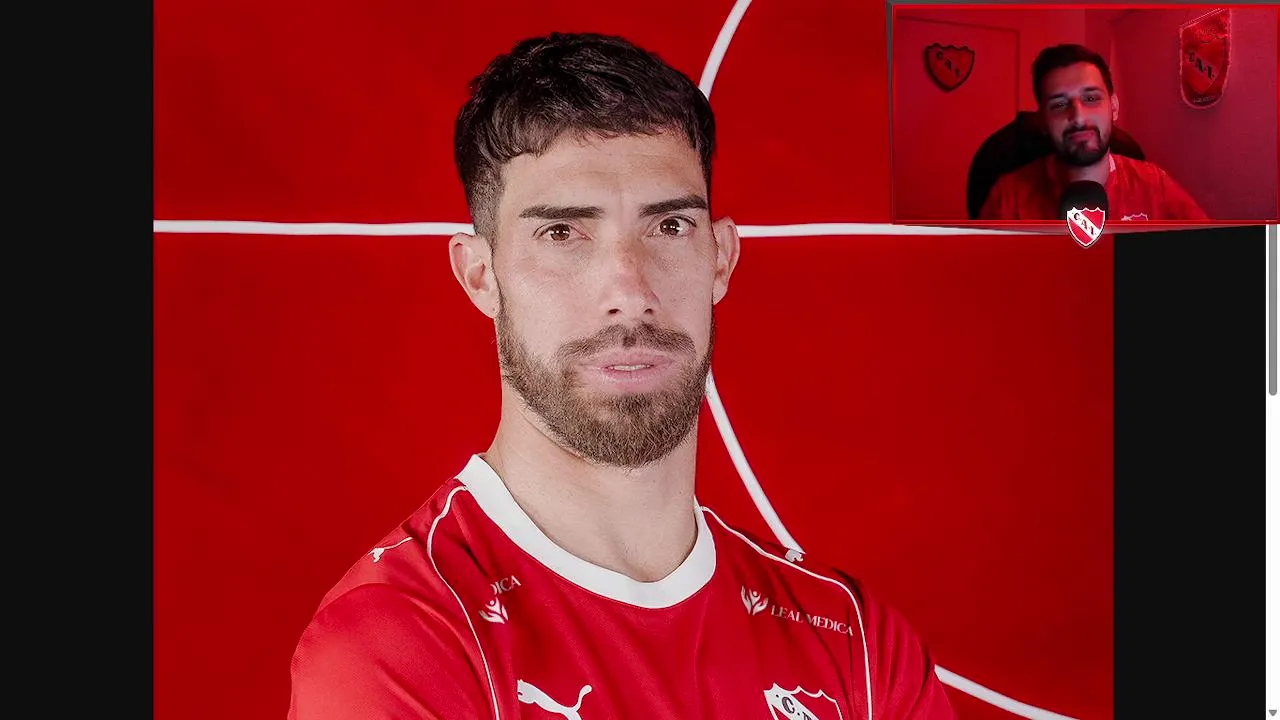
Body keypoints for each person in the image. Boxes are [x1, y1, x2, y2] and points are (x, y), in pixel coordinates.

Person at [288, 32, 957, 720]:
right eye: (563, 234)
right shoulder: (401, 640)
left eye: (669, 227)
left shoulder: (855, 646)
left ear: (721, 258)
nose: (630, 292)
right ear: (480, 275)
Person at [979, 43, 1208, 221]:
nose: (1078, 117)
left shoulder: (1155, 186)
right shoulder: (1008, 199)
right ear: (1042, 122)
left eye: (1091, 98)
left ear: (1114, 108)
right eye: (1059, 104)